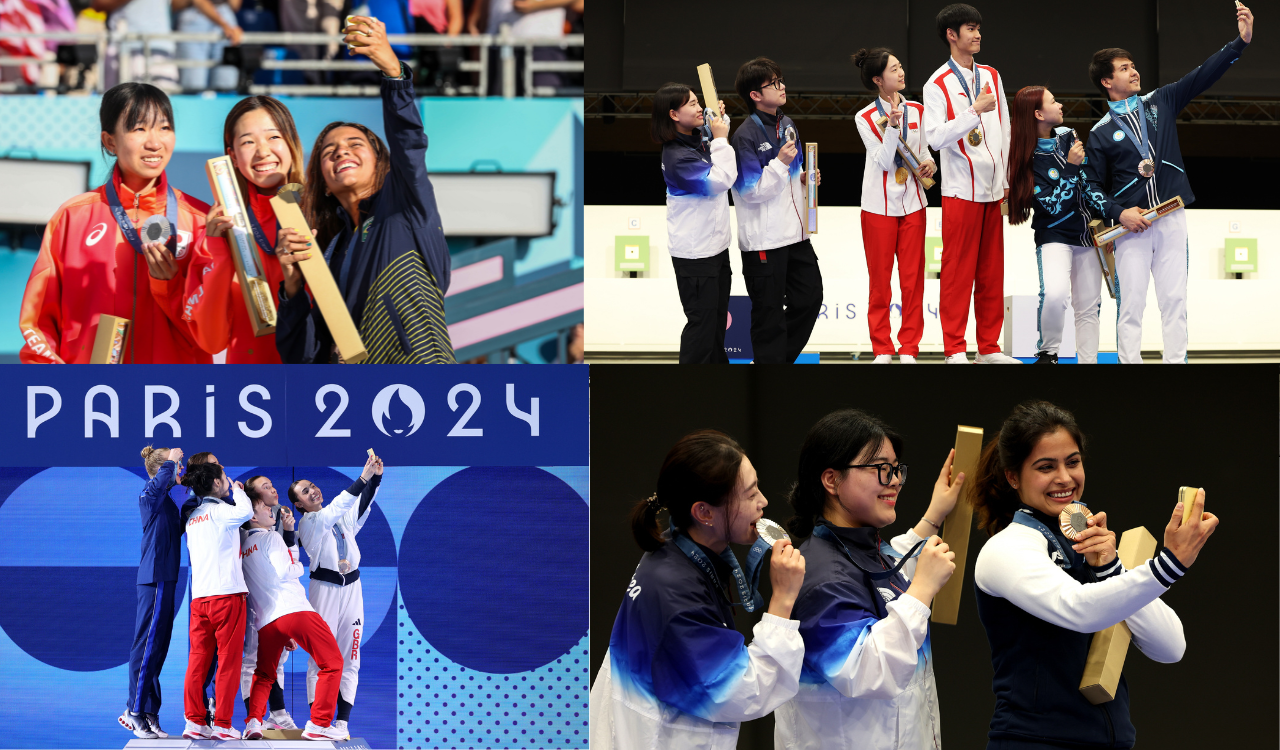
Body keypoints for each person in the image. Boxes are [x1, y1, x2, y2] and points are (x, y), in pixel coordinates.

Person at [971, 400, 1218, 749]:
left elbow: (1171, 646)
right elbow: (1080, 610)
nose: (1064, 478)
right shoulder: (1007, 549)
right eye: (1045, 467)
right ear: (1013, 476)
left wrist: (1110, 568)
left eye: (1073, 462)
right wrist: (1169, 564)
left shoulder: (1088, 547)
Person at [589, 430, 807, 749]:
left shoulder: (674, 545)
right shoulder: (674, 590)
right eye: (749, 495)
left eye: (757, 486)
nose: (764, 502)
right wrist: (783, 600)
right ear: (704, 512)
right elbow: (745, 691)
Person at [773, 410, 961, 749]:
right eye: (880, 469)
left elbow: (886, 571)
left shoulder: (861, 543)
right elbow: (868, 672)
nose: (895, 481)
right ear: (831, 480)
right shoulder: (822, 578)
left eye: (895, 469)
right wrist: (922, 591)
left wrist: (934, 516)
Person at [276, 17, 455, 364]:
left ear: (381, 162)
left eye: (355, 144)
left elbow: (410, 143)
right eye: (329, 151)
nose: (341, 151)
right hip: (360, 405)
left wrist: (393, 74)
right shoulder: (331, 251)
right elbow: (303, 356)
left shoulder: (405, 208)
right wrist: (293, 286)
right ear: (325, 184)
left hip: (425, 386)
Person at [1083, 5, 1254, 364]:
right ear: (1106, 81)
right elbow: (1092, 188)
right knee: (1130, 304)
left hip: (1172, 215)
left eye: (1133, 65)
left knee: (1174, 299)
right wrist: (1120, 213)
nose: (1134, 71)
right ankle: (1130, 370)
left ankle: (1176, 368)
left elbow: (1202, 75)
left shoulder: (1160, 100)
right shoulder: (1099, 134)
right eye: (1124, 68)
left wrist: (1239, 43)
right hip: (1132, 226)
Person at [19, 82, 212, 364]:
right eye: (138, 128)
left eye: (164, 127)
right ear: (110, 141)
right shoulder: (72, 217)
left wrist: (172, 286)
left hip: (173, 393)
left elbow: (214, 327)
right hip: (92, 395)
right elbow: (37, 320)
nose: (154, 142)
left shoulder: (199, 220)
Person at [924, 4, 1019, 364]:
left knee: (992, 271)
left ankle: (990, 347)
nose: (977, 34)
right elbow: (935, 138)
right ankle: (954, 349)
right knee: (957, 272)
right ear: (951, 35)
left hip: (994, 189)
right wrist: (973, 111)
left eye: (978, 28)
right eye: (969, 29)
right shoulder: (937, 84)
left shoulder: (992, 75)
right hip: (961, 189)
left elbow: (1006, 128)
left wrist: (1007, 177)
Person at [183, 96, 306, 363]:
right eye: (248, 142)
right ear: (233, 157)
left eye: (274, 137)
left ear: (292, 143)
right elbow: (210, 340)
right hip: (249, 387)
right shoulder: (217, 233)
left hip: (318, 379)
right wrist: (219, 252)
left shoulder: (323, 213)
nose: (263, 151)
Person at [729, 56, 823, 364]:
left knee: (810, 300)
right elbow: (751, 192)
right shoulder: (745, 136)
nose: (782, 87)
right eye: (773, 83)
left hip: (796, 236)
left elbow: (788, 179)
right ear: (755, 95)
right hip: (764, 242)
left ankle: (776, 362)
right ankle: (771, 369)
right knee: (768, 316)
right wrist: (781, 164)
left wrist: (805, 177)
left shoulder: (787, 123)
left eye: (780, 80)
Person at [1006, 86, 1109, 364]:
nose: (1061, 105)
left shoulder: (1068, 136)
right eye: (1054, 101)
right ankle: (1048, 353)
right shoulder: (1025, 157)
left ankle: (1088, 362)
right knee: (1055, 295)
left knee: (1088, 306)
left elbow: (1087, 184)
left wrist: (1112, 214)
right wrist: (1071, 168)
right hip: (1053, 236)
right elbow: (1051, 206)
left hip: (1087, 235)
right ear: (1038, 113)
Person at [290, 452, 383, 739]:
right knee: (320, 659)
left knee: (351, 656)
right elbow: (337, 507)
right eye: (305, 492)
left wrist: (375, 478)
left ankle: (341, 723)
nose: (312, 490)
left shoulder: (339, 517)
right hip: (325, 592)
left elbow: (360, 506)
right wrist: (363, 477)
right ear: (299, 505)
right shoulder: (309, 524)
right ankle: (317, 721)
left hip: (353, 589)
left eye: (312, 485)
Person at [852, 48, 936, 365]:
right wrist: (892, 127)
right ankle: (883, 349)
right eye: (894, 69)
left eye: (901, 66)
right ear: (878, 79)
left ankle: (910, 348)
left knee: (912, 280)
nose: (901, 73)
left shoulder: (918, 110)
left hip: (914, 203)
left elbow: (924, 149)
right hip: (877, 207)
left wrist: (929, 163)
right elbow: (885, 161)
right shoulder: (864, 117)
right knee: (880, 280)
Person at [239, 495, 347, 741]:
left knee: (264, 674)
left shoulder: (243, 549)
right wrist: (301, 566)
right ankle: (320, 723)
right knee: (332, 663)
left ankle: (253, 722)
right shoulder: (272, 537)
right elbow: (286, 571)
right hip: (294, 609)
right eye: (265, 507)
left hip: (267, 622)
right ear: (253, 517)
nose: (271, 509)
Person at [652, 84, 735, 364]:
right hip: (696, 256)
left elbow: (711, 140)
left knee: (715, 326)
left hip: (716, 249)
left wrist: (718, 125)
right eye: (691, 104)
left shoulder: (694, 138)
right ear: (673, 114)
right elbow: (721, 181)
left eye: (698, 102)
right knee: (701, 328)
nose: (699, 108)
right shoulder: (677, 158)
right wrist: (722, 139)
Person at [181, 461, 253, 740]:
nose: (228, 480)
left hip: (200, 599)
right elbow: (245, 511)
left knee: (198, 660)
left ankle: (195, 721)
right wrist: (239, 490)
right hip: (227, 596)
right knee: (228, 661)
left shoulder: (192, 517)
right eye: (225, 477)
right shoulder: (223, 511)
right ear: (215, 484)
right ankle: (222, 723)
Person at [118, 445, 185, 741]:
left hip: (167, 580)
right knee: (145, 647)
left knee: (158, 647)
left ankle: (148, 712)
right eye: (176, 467)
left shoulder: (167, 502)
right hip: (154, 579)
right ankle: (132, 711)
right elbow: (159, 482)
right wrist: (171, 460)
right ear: (163, 469)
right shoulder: (150, 495)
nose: (179, 470)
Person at [239, 476, 301, 730]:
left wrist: (288, 532)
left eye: (271, 484)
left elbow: (287, 557)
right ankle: (254, 718)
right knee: (252, 660)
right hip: (254, 601)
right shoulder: (243, 527)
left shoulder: (278, 517)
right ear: (253, 500)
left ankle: (277, 713)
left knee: (278, 660)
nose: (272, 489)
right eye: (265, 487)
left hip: (279, 602)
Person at [174, 0, 244, 92]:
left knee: (227, 83)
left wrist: (226, 25)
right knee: (193, 84)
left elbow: (235, 5)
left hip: (227, 17)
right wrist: (225, 25)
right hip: (194, 17)